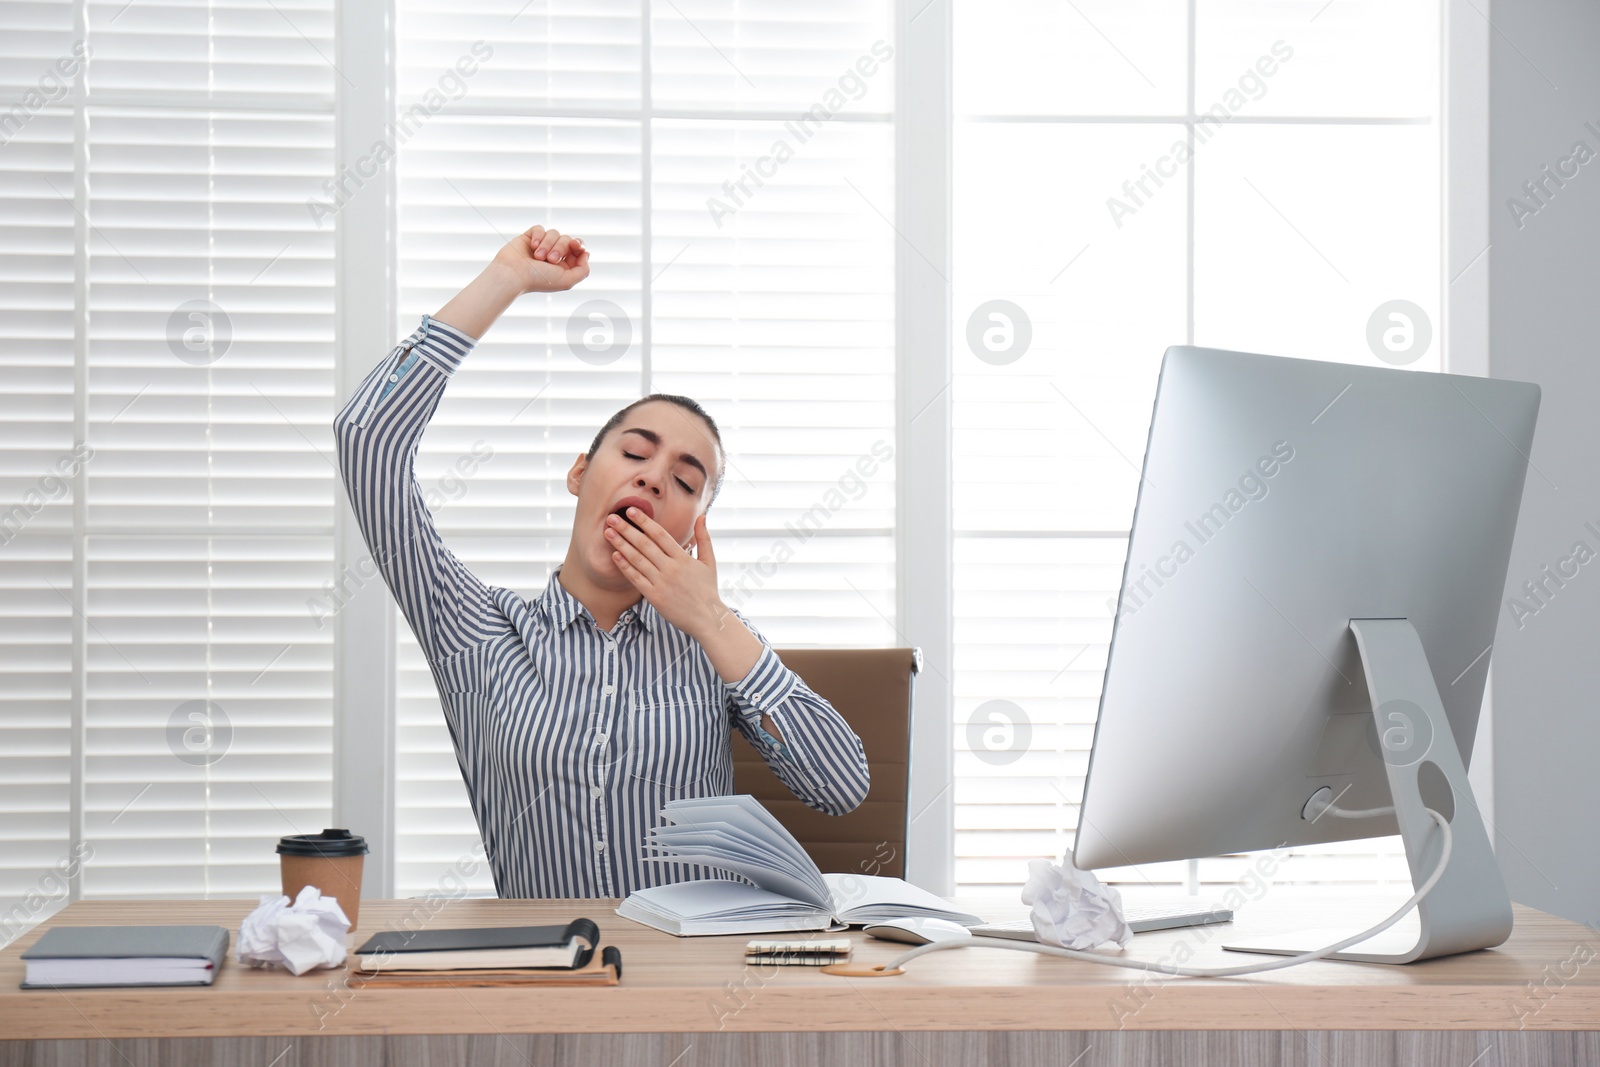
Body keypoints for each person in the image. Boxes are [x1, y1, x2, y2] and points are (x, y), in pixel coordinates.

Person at [333, 224, 871, 898]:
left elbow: (842, 788)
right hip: (545, 974)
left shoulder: (711, 641)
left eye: (684, 480)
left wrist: (712, 618)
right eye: (635, 453)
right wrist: (505, 279)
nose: (652, 480)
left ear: (689, 530)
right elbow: (366, 435)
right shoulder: (476, 627)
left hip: (692, 982)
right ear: (581, 474)